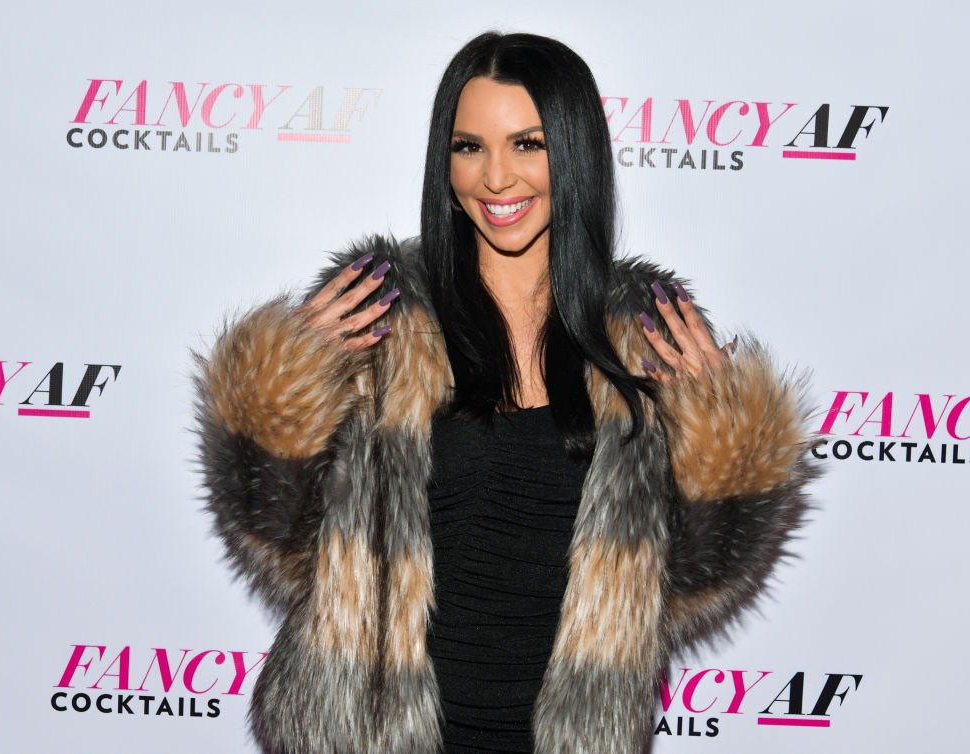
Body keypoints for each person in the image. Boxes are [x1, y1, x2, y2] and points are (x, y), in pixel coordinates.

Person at [195, 31, 816, 754]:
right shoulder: (384, 309)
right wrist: (280, 394)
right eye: (469, 147)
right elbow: (283, 540)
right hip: (366, 736)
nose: (496, 178)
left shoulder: (643, 332)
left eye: (527, 144)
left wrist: (727, 449)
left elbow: (681, 582)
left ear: (574, 150)